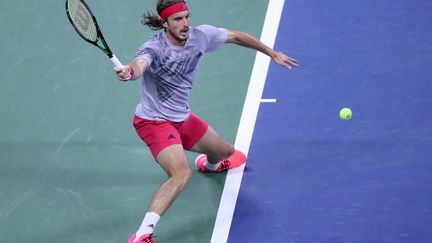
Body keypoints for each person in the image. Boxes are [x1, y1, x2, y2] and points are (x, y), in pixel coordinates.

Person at [114, 1, 299, 242]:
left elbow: (237, 37)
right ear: (164, 23)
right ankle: (143, 234)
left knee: (226, 152)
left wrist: (271, 52)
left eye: (186, 17)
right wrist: (130, 71)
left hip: (182, 117)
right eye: (177, 19)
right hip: (154, 122)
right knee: (181, 173)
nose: (185, 24)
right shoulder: (154, 48)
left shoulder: (201, 36)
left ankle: (210, 165)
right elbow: (140, 64)